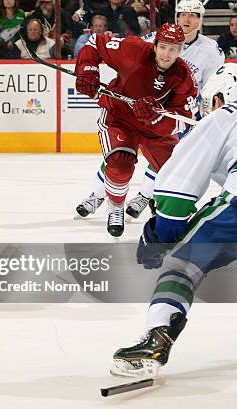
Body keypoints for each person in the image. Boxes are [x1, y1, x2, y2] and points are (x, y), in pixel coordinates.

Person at [111, 63, 237, 378]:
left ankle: (157, 337)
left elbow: (176, 192)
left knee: (181, 263)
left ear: (218, 99)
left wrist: (157, 240)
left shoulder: (225, 117)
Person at [76, 0, 224, 223]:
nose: (187, 19)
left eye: (193, 15)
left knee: (171, 163)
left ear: (200, 19)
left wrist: (182, 112)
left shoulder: (213, 51)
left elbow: (214, 83)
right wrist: (87, 70)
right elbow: (107, 49)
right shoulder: (144, 43)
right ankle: (100, 195)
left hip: (178, 110)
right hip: (130, 113)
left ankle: (146, 196)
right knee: (119, 156)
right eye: (183, 14)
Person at [74, 22, 197, 237]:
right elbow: (95, 43)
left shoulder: (184, 76)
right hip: (119, 117)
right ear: (155, 45)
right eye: (163, 47)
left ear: (180, 51)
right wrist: (88, 71)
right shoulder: (132, 51)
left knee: (176, 172)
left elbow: (181, 120)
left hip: (153, 129)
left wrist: (155, 117)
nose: (167, 54)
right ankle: (116, 206)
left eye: (173, 49)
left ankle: (168, 214)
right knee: (120, 162)